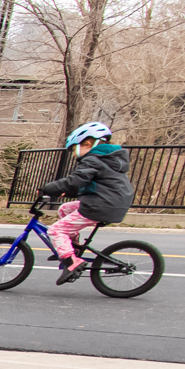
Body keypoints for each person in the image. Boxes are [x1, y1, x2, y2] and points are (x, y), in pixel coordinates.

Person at [38, 121, 132, 285]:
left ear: (87, 143)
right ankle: (72, 249)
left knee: (55, 230)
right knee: (65, 209)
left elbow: (76, 180)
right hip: (109, 202)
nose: (74, 154)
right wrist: (65, 192)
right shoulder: (107, 159)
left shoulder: (93, 159)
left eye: (74, 149)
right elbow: (89, 184)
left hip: (100, 205)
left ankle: (72, 262)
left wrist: (48, 188)